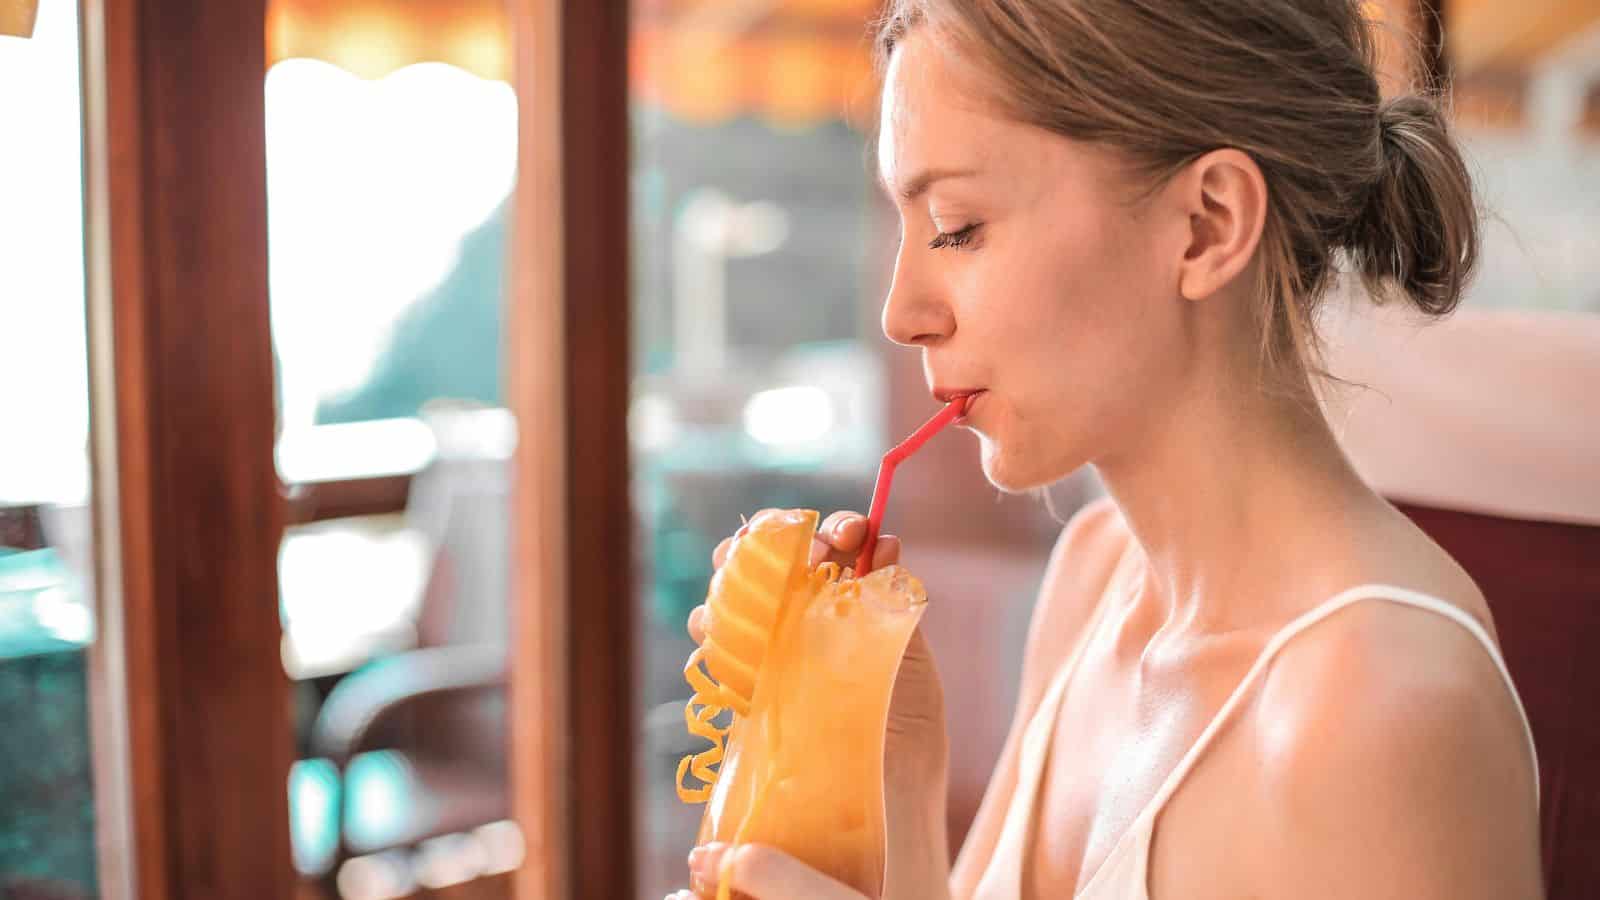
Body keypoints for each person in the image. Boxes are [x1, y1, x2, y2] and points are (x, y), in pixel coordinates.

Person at [667, 1, 1544, 898]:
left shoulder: (1379, 712)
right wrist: (893, 771)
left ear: (1207, 224)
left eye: (957, 226)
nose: (902, 312)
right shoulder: (1093, 581)